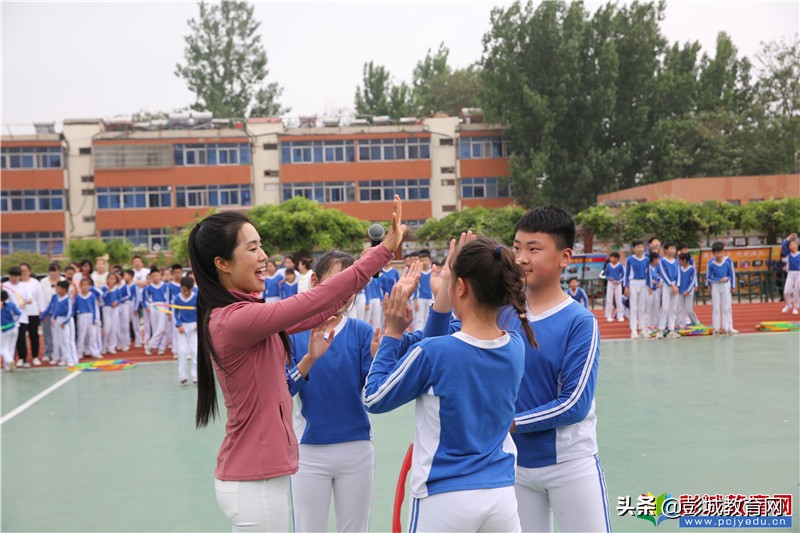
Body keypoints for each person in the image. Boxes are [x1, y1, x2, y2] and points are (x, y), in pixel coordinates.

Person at [189, 196, 405, 532]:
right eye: (251, 248)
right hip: (253, 480)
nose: (264, 257)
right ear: (223, 263)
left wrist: (353, 283)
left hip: (261, 474)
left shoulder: (243, 314)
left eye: (261, 246)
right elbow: (312, 301)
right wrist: (382, 252)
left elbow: (318, 310)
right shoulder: (235, 319)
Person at [364, 238, 533, 532]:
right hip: (500, 494)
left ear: (461, 287)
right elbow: (455, 332)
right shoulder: (515, 345)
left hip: (444, 496)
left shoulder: (434, 353)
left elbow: (375, 397)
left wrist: (392, 333)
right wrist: (450, 283)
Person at [502, 206, 609, 533]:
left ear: (565, 257)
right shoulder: (500, 312)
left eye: (534, 249)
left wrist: (512, 422)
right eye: (517, 247)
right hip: (515, 466)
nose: (521, 258)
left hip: (570, 465)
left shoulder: (580, 322)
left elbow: (574, 403)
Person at [287, 251, 383, 533]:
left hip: (357, 449)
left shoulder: (363, 332)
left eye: (351, 287)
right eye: (336, 282)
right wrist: (309, 359)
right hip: (308, 451)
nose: (344, 293)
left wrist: (380, 360)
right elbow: (283, 389)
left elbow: (373, 394)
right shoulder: (293, 333)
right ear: (315, 280)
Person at [41, 280, 78, 367]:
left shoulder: (68, 299)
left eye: (58, 288)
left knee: (68, 340)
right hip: (57, 320)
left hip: (66, 321)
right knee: (60, 340)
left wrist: (65, 322)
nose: (56, 289)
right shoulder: (55, 297)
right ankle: (64, 358)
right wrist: (49, 317)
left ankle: (73, 359)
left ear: (64, 290)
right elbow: (52, 307)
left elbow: (70, 312)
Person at [706, 242, 738, 335]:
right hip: (716, 285)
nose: (719, 255)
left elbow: (732, 274)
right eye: (717, 253)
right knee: (715, 307)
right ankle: (716, 327)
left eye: (721, 252)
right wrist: (710, 285)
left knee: (726, 307)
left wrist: (732, 285)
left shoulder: (728, 261)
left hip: (726, 285)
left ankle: (727, 327)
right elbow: (708, 276)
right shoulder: (711, 263)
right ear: (713, 253)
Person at [3, 267, 32, 367]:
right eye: (12, 276)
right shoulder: (5, 286)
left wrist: (25, 302)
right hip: (7, 319)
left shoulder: (24, 286)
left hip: (21, 317)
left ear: (19, 276)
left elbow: (30, 299)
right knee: (8, 341)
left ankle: (23, 359)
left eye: (16, 276)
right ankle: (11, 360)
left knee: (21, 338)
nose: (14, 278)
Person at [174, 276, 198, 385]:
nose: (186, 293)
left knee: (195, 352)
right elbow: (175, 313)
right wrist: (179, 325)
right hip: (182, 327)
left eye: (188, 290)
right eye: (184, 290)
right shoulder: (177, 298)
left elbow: (201, 313)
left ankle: (196, 376)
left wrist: (198, 323)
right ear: (181, 288)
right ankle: (183, 376)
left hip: (194, 327)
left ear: (192, 288)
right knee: (182, 351)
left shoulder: (196, 297)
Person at [19, 263, 44, 366]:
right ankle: (22, 357)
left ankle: (35, 356)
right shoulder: (17, 283)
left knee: (34, 335)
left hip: (33, 313)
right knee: (20, 337)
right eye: (22, 271)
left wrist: (41, 311)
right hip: (20, 314)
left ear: (30, 271)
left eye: (26, 271)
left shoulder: (35, 283)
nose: (24, 273)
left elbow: (39, 298)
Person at [624, 240, 650, 339]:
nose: (640, 249)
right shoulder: (629, 259)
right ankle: (634, 330)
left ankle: (642, 329)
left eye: (642, 247)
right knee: (633, 308)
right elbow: (626, 273)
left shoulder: (647, 259)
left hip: (643, 283)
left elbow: (649, 273)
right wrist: (626, 286)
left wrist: (649, 285)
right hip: (633, 283)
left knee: (642, 308)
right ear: (633, 249)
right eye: (638, 247)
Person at [39, 263, 64, 363]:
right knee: (47, 333)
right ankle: (48, 353)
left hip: (60, 312)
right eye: (51, 271)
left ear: (59, 271)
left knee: (60, 334)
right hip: (47, 311)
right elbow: (40, 297)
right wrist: (42, 311)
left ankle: (61, 353)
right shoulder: (43, 282)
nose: (53, 273)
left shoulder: (63, 281)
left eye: (56, 270)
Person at [657, 242, 681, 339]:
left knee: (673, 309)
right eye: (671, 248)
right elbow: (663, 274)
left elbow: (679, 273)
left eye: (674, 249)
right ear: (665, 250)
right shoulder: (662, 261)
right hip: (667, 286)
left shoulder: (676, 261)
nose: (673, 250)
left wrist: (677, 286)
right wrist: (672, 285)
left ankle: (671, 330)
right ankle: (661, 330)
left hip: (675, 286)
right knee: (665, 308)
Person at [143, 268, 169, 356]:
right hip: (153, 306)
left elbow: (168, 298)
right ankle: (158, 347)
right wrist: (147, 306)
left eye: (156, 275)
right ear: (150, 277)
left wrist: (168, 310)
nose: (155, 278)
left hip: (163, 305)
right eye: (153, 276)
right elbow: (145, 299)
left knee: (162, 328)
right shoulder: (148, 288)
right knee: (155, 328)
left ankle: (151, 345)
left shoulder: (165, 286)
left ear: (160, 276)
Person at [75, 278, 102, 359]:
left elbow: (94, 308)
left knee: (92, 335)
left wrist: (94, 318)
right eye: (83, 285)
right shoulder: (78, 297)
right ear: (80, 286)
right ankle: (79, 352)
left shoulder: (92, 296)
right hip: (81, 316)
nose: (84, 287)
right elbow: (75, 308)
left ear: (89, 286)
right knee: (81, 335)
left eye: (86, 285)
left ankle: (95, 352)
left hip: (90, 316)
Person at [412, 249, 434, 331]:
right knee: (419, 318)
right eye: (422, 261)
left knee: (429, 318)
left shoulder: (433, 272)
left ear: (429, 261)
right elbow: (415, 287)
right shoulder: (418, 273)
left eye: (426, 260)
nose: (424, 262)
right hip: (420, 298)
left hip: (431, 298)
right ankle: (418, 335)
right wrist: (415, 300)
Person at [1, 290, 22, 372]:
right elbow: (18, 313)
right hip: (14, 327)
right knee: (11, 347)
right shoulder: (11, 304)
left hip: (4, 328)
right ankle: (8, 366)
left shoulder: (1, 305)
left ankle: (9, 360)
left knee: (2, 348)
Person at [100, 272, 121, 355]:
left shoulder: (117, 289)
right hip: (106, 309)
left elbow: (120, 299)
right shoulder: (104, 289)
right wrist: (107, 292)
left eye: (113, 279)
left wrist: (117, 302)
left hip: (115, 309)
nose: (111, 280)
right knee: (107, 328)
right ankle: (104, 346)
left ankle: (112, 346)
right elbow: (102, 298)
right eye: (110, 278)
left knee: (114, 328)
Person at [676, 253, 698, 328]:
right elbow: (678, 279)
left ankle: (695, 322)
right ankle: (682, 324)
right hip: (680, 291)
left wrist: (688, 290)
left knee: (689, 309)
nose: (678, 262)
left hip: (689, 292)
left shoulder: (692, 269)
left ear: (685, 260)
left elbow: (692, 281)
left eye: (680, 260)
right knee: (680, 309)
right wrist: (678, 288)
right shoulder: (679, 269)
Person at [602, 252, 624, 322]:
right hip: (610, 283)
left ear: (616, 258)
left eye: (612, 257)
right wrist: (609, 278)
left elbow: (623, 276)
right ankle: (608, 315)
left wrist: (618, 281)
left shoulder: (620, 265)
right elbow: (606, 274)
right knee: (609, 300)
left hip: (618, 284)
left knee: (618, 300)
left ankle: (620, 315)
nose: (610, 259)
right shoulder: (608, 265)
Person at [781, 233, 799, 314]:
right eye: (791, 245)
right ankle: (788, 304)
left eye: (794, 244)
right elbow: (783, 246)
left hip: (799, 274)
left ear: (797, 245)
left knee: (796, 291)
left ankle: (796, 307)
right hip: (790, 274)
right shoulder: (788, 254)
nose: (792, 246)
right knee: (786, 291)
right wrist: (789, 237)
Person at [645, 252, 661, 335]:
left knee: (656, 307)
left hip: (656, 290)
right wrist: (652, 282)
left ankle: (654, 325)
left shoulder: (655, 268)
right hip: (649, 290)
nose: (658, 260)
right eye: (658, 259)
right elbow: (646, 278)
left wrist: (658, 282)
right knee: (648, 308)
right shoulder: (648, 268)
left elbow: (657, 277)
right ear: (654, 259)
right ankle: (647, 325)